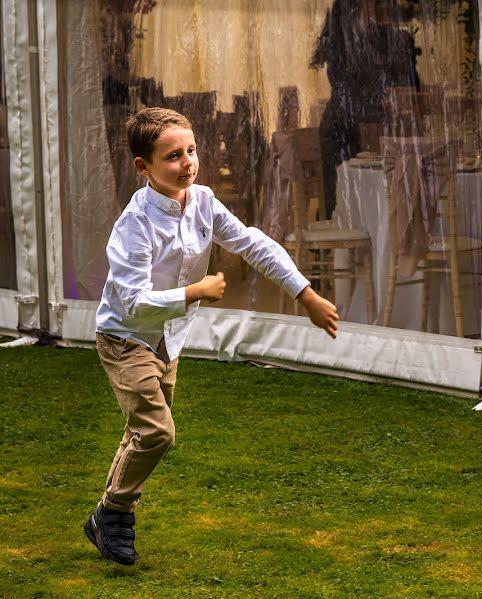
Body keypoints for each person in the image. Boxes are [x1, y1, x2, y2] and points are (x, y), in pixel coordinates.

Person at [84, 107, 339, 566]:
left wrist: (305, 295)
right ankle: (114, 512)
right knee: (157, 433)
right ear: (143, 167)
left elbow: (252, 242)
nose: (187, 163)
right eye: (173, 156)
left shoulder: (200, 200)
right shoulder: (134, 224)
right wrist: (194, 291)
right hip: (126, 339)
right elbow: (133, 302)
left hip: (169, 340)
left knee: (141, 432)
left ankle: (108, 516)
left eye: (192, 150)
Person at [310, 0, 420, 218]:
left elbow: (410, 89)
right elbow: (344, 90)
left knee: (389, 203)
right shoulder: (340, 41)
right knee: (349, 205)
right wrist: (382, 107)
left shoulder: (393, 39)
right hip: (344, 134)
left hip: (383, 133)